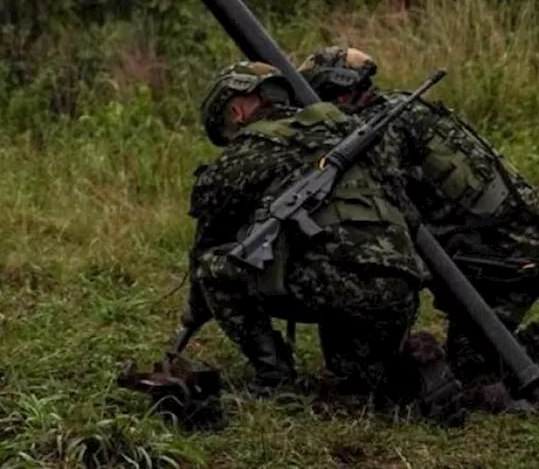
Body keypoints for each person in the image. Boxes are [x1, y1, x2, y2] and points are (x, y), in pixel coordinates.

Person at [297, 46, 539, 383]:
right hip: (502, 238)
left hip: (506, 251)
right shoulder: (398, 107)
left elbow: (388, 215)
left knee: (473, 372)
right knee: (468, 360)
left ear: (338, 91)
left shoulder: (382, 128)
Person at [189, 61, 458, 414]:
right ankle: (412, 361)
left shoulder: (254, 146)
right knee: (354, 377)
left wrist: (194, 312)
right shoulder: (350, 128)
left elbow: (207, 234)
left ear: (239, 109)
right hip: (399, 292)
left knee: (214, 267)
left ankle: (275, 379)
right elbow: (409, 210)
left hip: (336, 288)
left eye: (226, 121)